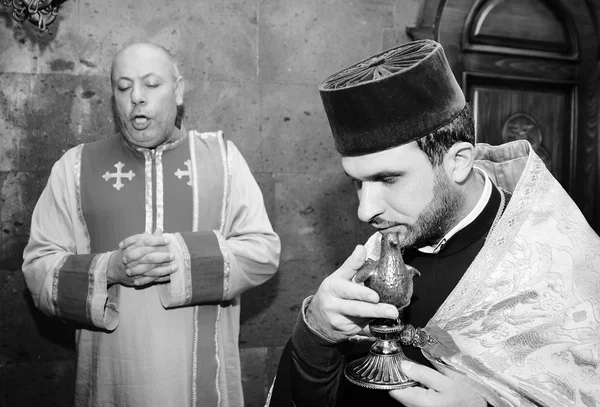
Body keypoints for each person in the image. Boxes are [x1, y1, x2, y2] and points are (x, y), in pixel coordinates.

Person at [268, 40, 600, 407]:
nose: (365, 211)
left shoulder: (560, 264)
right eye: (357, 183)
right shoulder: (385, 245)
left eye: (388, 179)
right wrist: (316, 331)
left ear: (458, 161)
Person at [22, 42, 281, 407]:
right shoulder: (75, 168)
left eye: (151, 84)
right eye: (124, 87)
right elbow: (37, 267)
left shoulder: (222, 160)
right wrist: (108, 268)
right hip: (112, 382)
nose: (137, 98)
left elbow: (263, 251)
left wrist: (180, 258)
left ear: (177, 90)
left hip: (201, 386)